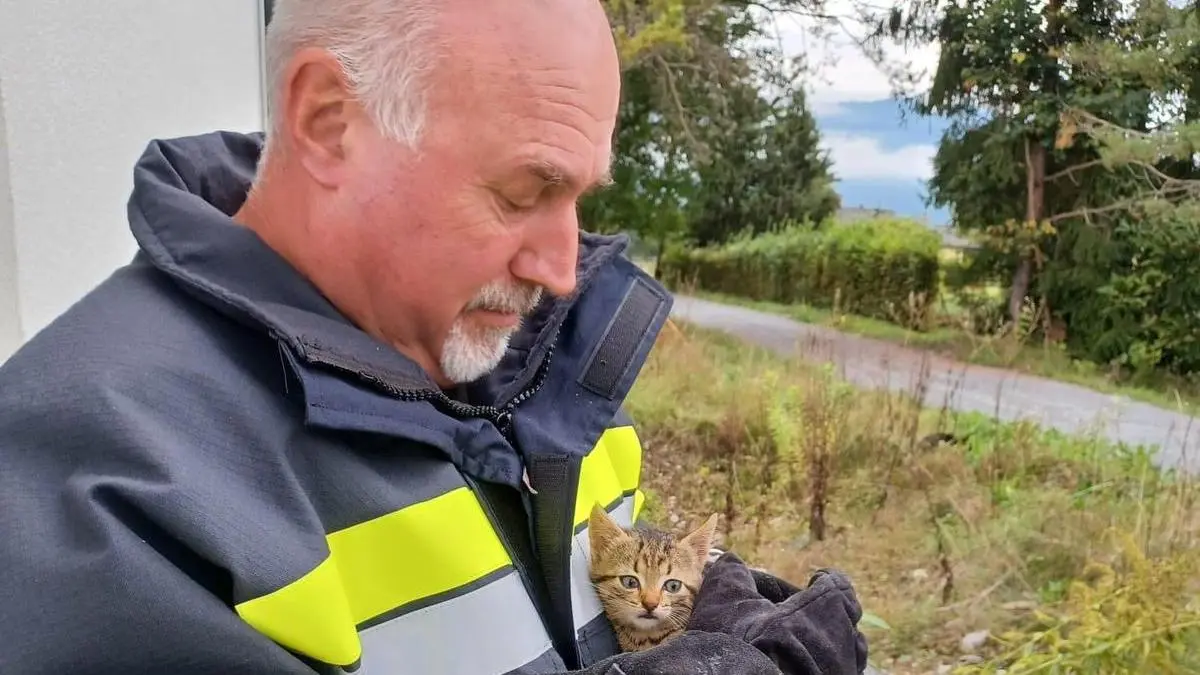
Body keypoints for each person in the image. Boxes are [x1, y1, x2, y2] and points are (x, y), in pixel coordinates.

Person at [0, 1, 869, 673]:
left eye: (580, 197)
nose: (563, 271)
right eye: (523, 192)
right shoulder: (101, 485)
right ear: (328, 120)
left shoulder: (539, 356)